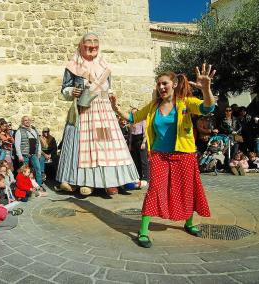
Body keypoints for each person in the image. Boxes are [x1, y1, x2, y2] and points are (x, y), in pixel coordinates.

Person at [113, 63, 216, 248]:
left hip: (184, 154)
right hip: (160, 155)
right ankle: (143, 231)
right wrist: (115, 108)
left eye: (165, 83)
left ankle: (189, 223)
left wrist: (207, 88)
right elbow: (131, 119)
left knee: (187, 189)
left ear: (174, 84)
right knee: (154, 190)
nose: (161, 87)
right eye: (158, 84)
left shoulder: (185, 102)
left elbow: (207, 108)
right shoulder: (153, 107)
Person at [56, 33, 138, 196]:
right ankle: (83, 182)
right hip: (84, 112)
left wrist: (111, 96)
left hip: (104, 114)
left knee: (105, 146)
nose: (93, 45)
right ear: (81, 45)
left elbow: (109, 87)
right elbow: (64, 90)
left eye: (96, 42)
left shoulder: (104, 65)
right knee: (82, 147)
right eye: (88, 42)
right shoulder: (73, 66)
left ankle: (109, 182)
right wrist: (72, 91)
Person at [14, 116, 43, 186]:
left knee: (38, 169)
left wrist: (39, 152)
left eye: (28, 120)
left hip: (34, 154)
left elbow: (38, 142)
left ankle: (39, 185)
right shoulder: (19, 131)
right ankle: (24, 185)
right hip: (24, 155)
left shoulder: (34, 130)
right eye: (25, 120)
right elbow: (17, 145)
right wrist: (19, 155)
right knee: (24, 171)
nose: (27, 121)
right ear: (22, 122)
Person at [129, 109, 149, 183]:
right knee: (136, 160)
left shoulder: (142, 121)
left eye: (135, 113)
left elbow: (145, 133)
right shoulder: (131, 122)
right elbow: (130, 135)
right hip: (134, 141)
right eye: (132, 113)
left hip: (141, 141)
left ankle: (146, 178)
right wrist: (130, 145)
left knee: (143, 160)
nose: (134, 114)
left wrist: (143, 142)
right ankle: (139, 176)